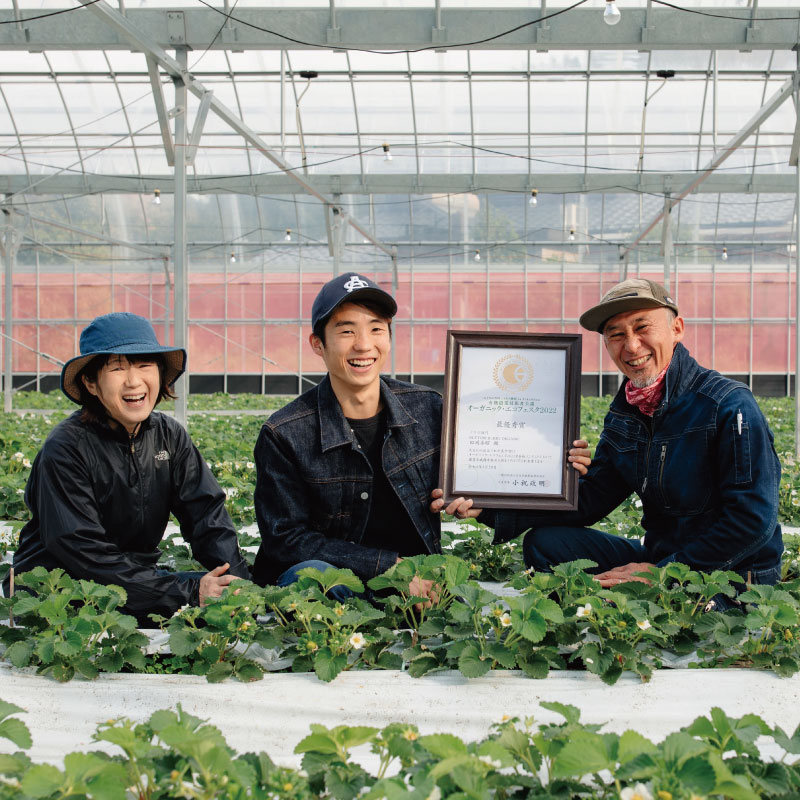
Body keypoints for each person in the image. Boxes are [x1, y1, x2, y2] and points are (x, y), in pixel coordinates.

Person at [433, 278, 783, 606]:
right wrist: (489, 506)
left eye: (642, 327)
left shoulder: (727, 405)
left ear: (676, 329)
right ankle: (613, 606)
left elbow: (752, 521)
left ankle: (622, 608)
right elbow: (590, 499)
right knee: (545, 543)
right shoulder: (627, 412)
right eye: (615, 334)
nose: (631, 346)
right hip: (661, 555)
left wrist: (664, 575)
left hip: (731, 574)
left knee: (664, 611)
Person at [252, 272, 592, 598]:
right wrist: (387, 567)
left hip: (416, 582)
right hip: (338, 587)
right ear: (318, 344)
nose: (364, 345)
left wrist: (554, 464)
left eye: (376, 329)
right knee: (308, 578)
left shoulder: (428, 409)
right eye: (346, 332)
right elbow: (286, 539)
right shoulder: (285, 434)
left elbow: (489, 479)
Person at [9, 312, 250, 625]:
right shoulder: (67, 448)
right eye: (118, 368)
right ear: (91, 383)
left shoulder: (169, 436)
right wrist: (189, 593)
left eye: (144, 365)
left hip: (134, 580)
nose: (134, 381)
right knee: (198, 609)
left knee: (223, 597)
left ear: (160, 374)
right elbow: (84, 552)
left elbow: (206, 516)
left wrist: (240, 585)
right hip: (62, 591)